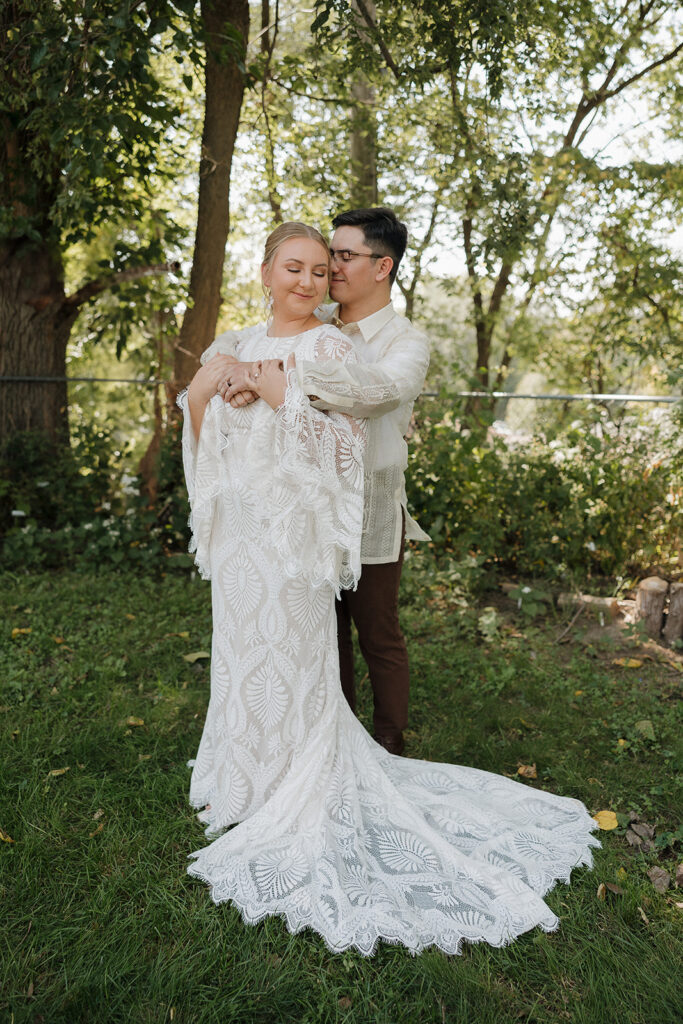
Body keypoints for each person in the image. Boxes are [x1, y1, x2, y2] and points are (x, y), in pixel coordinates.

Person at [179, 220, 599, 956]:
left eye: (330, 263)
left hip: (315, 537)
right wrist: (210, 391)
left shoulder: (353, 345)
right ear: (266, 270)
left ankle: (368, 747)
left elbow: (350, 427)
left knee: (368, 632)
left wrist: (280, 390)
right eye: (302, 266)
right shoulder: (238, 340)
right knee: (250, 655)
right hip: (248, 541)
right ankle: (241, 770)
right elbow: (202, 423)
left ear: (380, 265)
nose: (318, 277)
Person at [220, 207, 431, 756]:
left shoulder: (406, 343)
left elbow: (376, 392)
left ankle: (389, 739)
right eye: (329, 254)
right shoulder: (316, 320)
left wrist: (279, 376)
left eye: (343, 256)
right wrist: (234, 364)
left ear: (381, 266)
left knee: (376, 628)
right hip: (305, 501)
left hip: (369, 503)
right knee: (320, 626)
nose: (330, 267)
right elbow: (234, 342)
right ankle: (333, 736)